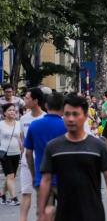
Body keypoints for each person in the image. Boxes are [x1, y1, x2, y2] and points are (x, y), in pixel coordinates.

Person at [38, 94, 107, 221]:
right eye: (67, 114)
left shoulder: (98, 146)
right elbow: (46, 180)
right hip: (64, 213)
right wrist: (42, 211)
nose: (70, 119)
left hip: (93, 213)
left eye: (75, 114)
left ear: (86, 116)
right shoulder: (53, 147)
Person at [24, 92, 66, 220]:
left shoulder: (34, 125)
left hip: (42, 178)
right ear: (64, 107)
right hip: (65, 179)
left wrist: (33, 174)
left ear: (46, 105)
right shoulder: (67, 126)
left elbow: (28, 153)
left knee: (44, 216)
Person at [19, 87, 45, 220]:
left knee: (43, 194)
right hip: (25, 162)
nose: (25, 100)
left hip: (42, 163)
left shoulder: (45, 118)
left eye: (27, 98)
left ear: (35, 101)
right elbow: (22, 140)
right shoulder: (23, 119)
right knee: (25, 193)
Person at [0, 103, 22, 206]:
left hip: (16, 153)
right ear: (4, 113)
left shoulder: (18, 124)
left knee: (11, 176)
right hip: (5, 153)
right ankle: (14, 198)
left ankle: (2, 194)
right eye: (9, 110)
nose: (12, 112)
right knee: (10, 176)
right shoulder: (1, 124)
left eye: (14, 110)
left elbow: (20, 138)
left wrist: (23, 150)